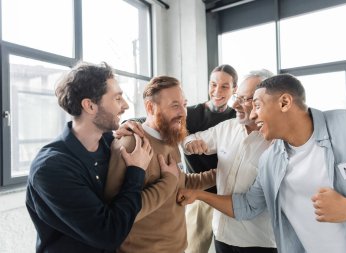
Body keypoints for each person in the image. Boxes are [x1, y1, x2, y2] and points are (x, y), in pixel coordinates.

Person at [177, 73, 346, 253]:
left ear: (284, 102)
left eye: (256, 105)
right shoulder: (271, 160)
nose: (253, 114)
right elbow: (247, 205)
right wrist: (198, 195)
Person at [25, 62, 154, 253]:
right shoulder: (51, 168)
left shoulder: (109, 143)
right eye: (117, 98)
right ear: (90, 105)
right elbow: (109, 234)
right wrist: (136, 171)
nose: (125, 105)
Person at [121, 64, 238, 253]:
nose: (217, 91)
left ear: (235, 89)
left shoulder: (236, 119)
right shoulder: (188, 114)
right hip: (193, 196)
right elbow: (153, 118)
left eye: (225, 86)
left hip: (225, 192)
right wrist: (128, 124)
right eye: (213, 84)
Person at [104, 75, 217, 253]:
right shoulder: (130, 144)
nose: (183, 112)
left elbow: (180, 181)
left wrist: (220, 174)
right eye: (174, 105)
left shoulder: (170, 140)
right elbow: (120, 213)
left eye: (184, 104)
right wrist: (168, 181)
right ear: (150, 107)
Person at [182, 69, 277, 253]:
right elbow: (190, 139)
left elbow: (250, 204)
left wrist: (199, 194)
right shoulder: (227, 127)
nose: (235, 104)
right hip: (222, 235)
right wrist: (191, 143)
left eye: (245, 99)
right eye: (237, 97)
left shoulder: (277, 143)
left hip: (257, 242)